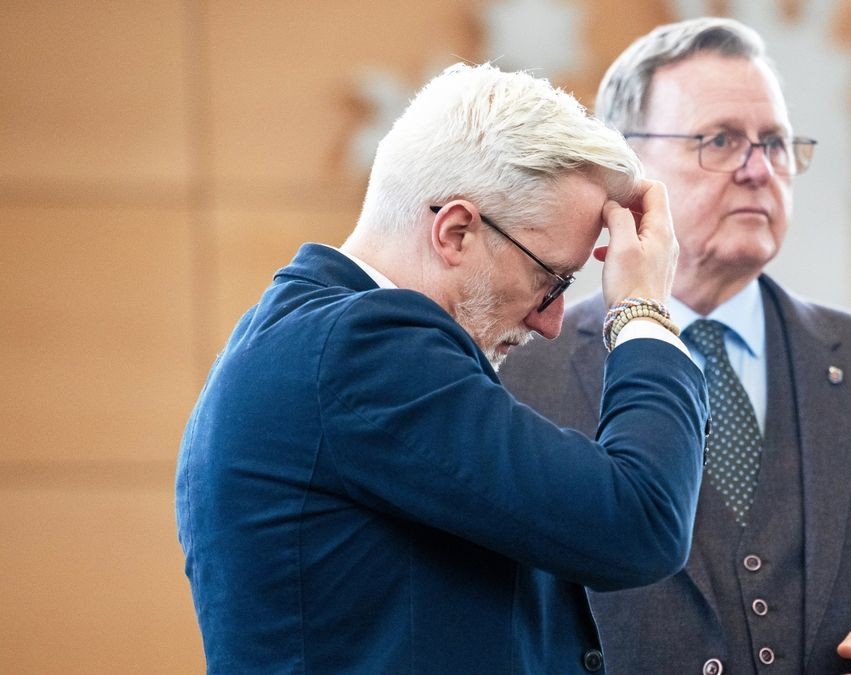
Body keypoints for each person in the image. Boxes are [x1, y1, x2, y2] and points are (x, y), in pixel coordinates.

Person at [502, 18, 851, 675]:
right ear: (624, 169)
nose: (759, 169)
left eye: (776, 143)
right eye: (721, 140)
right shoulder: (518, 376)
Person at [175, 63, 710, 673]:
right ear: (456, 231)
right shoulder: (362, 351)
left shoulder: (300, 339)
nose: (552, 321)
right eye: (550, 280)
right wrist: (642, 311)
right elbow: (639, 522)